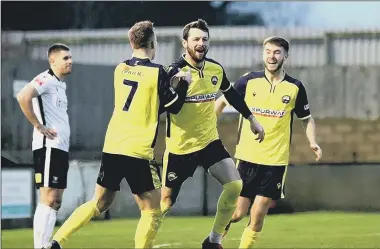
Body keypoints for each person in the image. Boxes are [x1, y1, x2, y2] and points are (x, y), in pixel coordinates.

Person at [43, 21, 192, 249]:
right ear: (153, 43)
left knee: (99, 203)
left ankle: (56, 242)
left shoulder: (120, 68)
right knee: (153, 209)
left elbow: (145, 105)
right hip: (138, 150)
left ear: (132, 42)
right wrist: (183, 85)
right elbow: (173, 107)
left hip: (113, 146)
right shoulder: (157, 71)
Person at [159, 19, 265, 249]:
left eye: (205, 39)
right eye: (196, 39)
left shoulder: (215, 69)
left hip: (209, 142)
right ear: (184, 42)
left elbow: (232, 95)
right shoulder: (173, 72)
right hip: (180, 148)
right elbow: (166, 108)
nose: (201, 43)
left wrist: (252, 119)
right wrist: (179, 86)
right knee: (165, 203)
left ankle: (213, 240)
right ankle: (144, 240)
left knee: (235, 185)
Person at [214, 36, 323, 248]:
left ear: (285, 56)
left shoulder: (295, 87)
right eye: (268, 52)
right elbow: (221, 102)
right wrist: (208, 128)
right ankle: (214, 238)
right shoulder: (248, 81)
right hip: (247, 157)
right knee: (237, 213)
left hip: (275, 160)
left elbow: (306, 118)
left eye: (277, 52)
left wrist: (313, 141)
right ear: (263, 54)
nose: (271, 57)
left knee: (259, 211)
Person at [16, 43, 73, 249]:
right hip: (48, 147)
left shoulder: (60, 84)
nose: (70, 61)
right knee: (48, 197)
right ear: (53, 61)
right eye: (65, 58)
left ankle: (45, 245)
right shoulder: (46, 79)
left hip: (60, 148)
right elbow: (23, 96)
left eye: (70, 57)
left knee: (56, 199)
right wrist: (38, 126)